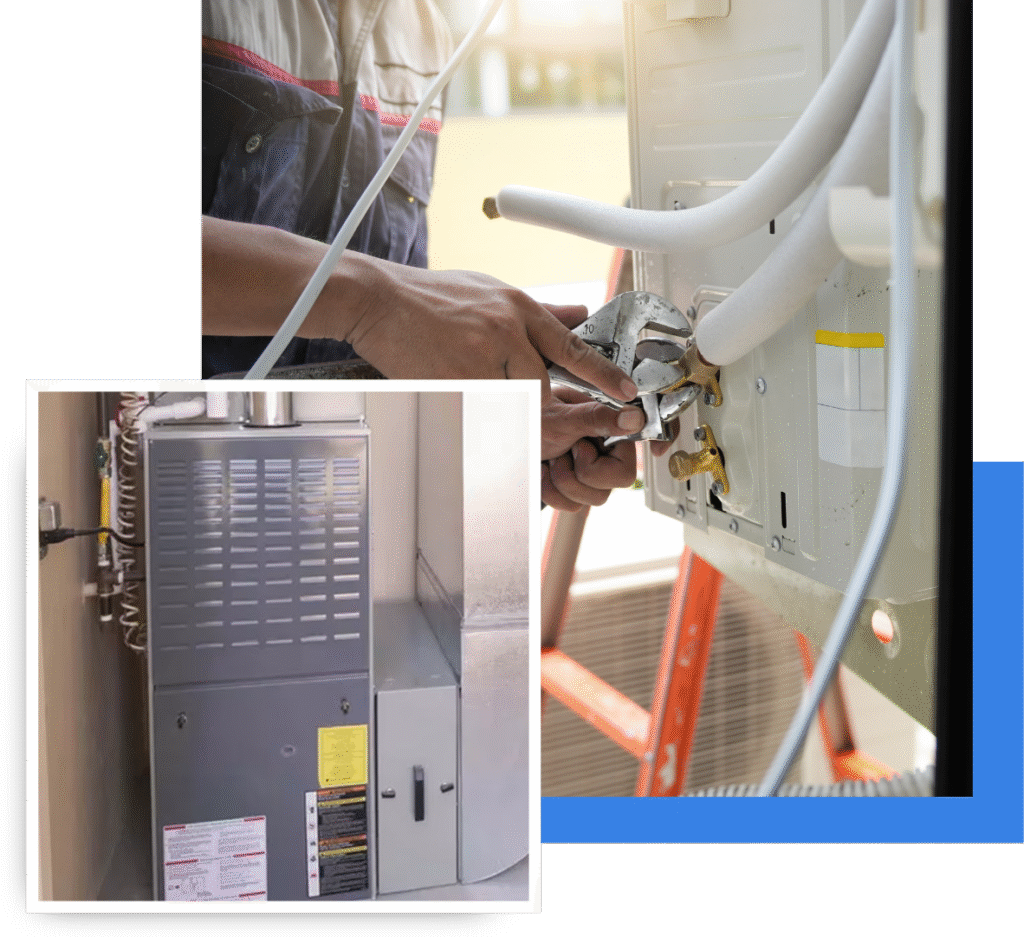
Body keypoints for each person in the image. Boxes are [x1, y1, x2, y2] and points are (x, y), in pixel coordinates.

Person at [201, 0, 646, 510]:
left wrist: (479, 435)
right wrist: (373, 303)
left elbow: (387, 344)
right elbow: (380, 304)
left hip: (319, 515)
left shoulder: (422, 30)